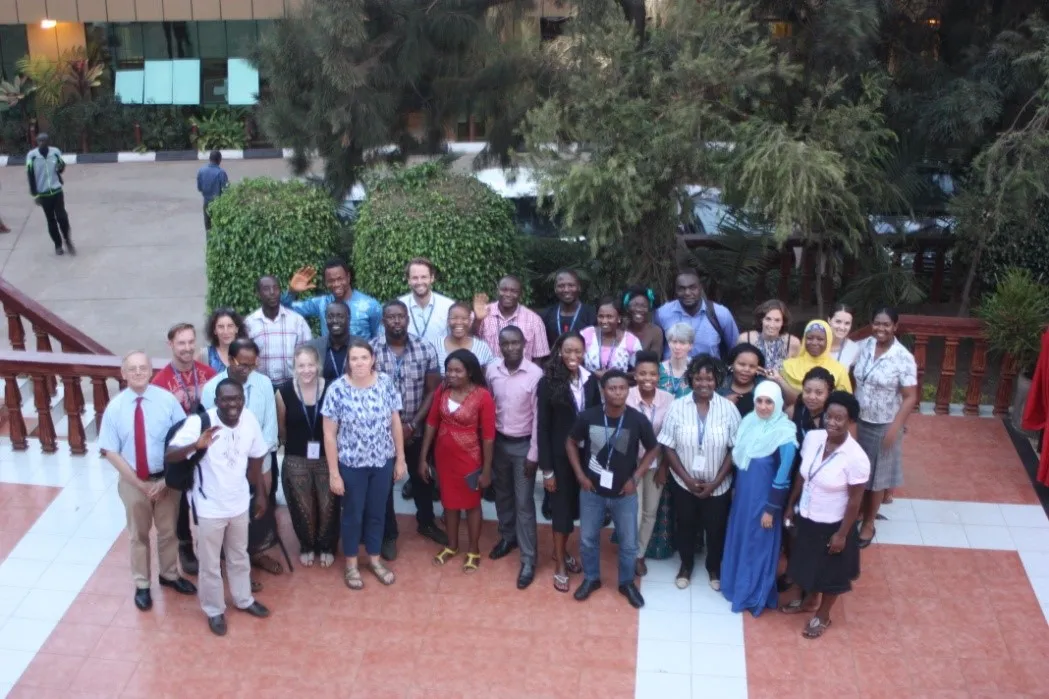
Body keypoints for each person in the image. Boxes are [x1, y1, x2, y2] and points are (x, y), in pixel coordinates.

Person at [165, 379, 271, 636]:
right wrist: (196, 445)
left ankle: (244, 599)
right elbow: (170, 454)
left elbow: (257, 454)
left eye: (237, 398)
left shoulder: (249, 419)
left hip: (239, 504)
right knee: (210, 564)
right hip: (209, 507)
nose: (232, 404)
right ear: (216, 401)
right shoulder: (200, 422)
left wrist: (259, 493)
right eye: (226, 399)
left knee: (239, 555)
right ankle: (214, 610)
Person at [98, 350, 197, 611]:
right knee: (138, 535)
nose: (138, 373)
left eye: (143, 368)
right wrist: (139, 484)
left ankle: (169, 575)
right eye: (132, 369)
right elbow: (110, 450)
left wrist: (166, 480)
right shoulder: (115, 408)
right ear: (123, 374)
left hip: (166, 480)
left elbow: (183, 440)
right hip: (134, 483)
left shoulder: (166, 401)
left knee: (168, 532)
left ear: (151, 370)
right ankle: (142, 584)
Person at [780, 391, 869, 639]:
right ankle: (808, 601)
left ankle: (823, 614)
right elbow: (802, 474)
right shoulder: (814, 438)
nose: (832, 422)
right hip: (808, 515)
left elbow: (855, 500)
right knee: (806, 563)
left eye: (839, 418)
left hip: (834, 523)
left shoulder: (856, 458)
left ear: (850, 421)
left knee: (831, 574)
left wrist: (842, 534)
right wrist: (791, 504)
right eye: (829, 416)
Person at [567, 370, 658, 608]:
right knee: (587, 540)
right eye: (612, 388)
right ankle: (591, 578)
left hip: (624, 494)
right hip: (591, 492)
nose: (618, 392)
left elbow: (653, 449)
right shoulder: (588, 417)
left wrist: (636, 478)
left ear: (628, 391)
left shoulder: (637, 420)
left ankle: (626, 583)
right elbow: (571, 442)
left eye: (622, 388)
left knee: (629, 543)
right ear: (603, 391)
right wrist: (580, 475)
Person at [322, 339, 407, 589]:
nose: (359, 363)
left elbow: (395, 422)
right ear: (347, 362)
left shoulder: (385, 383)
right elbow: (329, 434)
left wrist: (400, 458)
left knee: (377, 513)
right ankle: (351, 565)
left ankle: (375, 559)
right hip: (351, 465)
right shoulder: (337, 389)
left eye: (363, 358)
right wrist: (334, 473)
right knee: (352, 514)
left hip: (382, 462)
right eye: (354, 358)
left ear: (373, 360)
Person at [200, 339, 284, 580]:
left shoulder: (264, 383)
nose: (247, 370)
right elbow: (210, 431)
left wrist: (260, 460)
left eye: (252, 365)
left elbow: (270, 426)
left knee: (258, 509)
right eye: (242, 365)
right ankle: (236, 564)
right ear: (230, 360)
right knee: (231, 513)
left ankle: (256, 553)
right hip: (225, 464)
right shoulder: (211, 389)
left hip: (260, 459)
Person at [371, 300, 449, 558]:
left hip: (415, 427)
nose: (396, 321)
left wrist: (413, 424)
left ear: (407, 319)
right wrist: (391, 426)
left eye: (400, 317)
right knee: (383, 483)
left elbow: (433, 390)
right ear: (383, 321)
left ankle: (426, 522)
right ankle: (389, 533)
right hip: (381, 431)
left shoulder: (425, 348)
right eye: (390, 317)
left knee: (422, 478)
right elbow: (366, 391)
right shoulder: (371, 350)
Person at [659, 354, 741, 590]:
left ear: (717, 381)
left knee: (715, 528)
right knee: (685, 524)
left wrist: (715, 483)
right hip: (684, 482)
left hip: (719, 484)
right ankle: (686, 565)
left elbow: (734, 449)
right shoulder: (677, 406)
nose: (703, 384)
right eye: (698, 378)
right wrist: (686, 479)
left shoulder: (728, 409)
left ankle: (713, 567)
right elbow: (668, 445)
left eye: (709, 379)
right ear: (690, 380)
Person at [530, 331, 601, 592]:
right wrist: (546, 470)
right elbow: (544, 427)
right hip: (559, 459)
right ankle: (560, 562)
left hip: (584, 458)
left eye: (578, 352)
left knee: (573, 509)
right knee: (560, 511)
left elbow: (595, 421)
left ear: (584, 353)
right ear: (559, 351)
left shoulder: (591, 381)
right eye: (568, 351)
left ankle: (563, 551)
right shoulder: (548, 382)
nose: (573, 356)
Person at [720, 382, 797, 616]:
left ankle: (753, 594)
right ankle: (735, 586)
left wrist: (771, 509)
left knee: (758, 544)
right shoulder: (749, 422)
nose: (763, 407)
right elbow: (740, 461)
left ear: (779, 403)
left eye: (769, 402)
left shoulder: (784, 433)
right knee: (742, 537)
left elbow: (783, 476)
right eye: (759, 401)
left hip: (764, 502)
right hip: (744, 497)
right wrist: (734, 489)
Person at [420, 350, 497, 573]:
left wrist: (486, 470)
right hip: (444, 459)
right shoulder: (442, 390)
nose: (451, 375)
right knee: (449, 503)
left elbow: (489, 436)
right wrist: (424, 458)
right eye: (449, 370)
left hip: (470, 459)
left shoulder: (483, 396)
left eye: (457, 371)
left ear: (470, 372)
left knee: (471, 505)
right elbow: (432, 423)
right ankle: (452, 546)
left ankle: (473, 550)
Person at [151, 322, 217, 576]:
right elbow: (159, 429)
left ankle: (208, 545)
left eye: (191, 342)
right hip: (179, 451)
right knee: (180, 506)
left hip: (205, 449)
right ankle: (185, 547)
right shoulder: (160, 382)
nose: (188, 348)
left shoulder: (208, 374)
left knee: (205, 498)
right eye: (181, 343)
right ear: (170, 345)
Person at [853, 307, 918, 547]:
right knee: (860, 470)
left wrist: (896, 426)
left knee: (879, 476)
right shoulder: (864, 346)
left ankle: (869, 523)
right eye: (877, 323)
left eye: (886, 324)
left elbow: (910, 396)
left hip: (885, 423)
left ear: (895, 327)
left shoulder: (903, 357)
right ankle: (858, 512)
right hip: (859, 419)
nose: (881, 329)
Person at [486, 325, 543, 588]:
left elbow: (538, 420)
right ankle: (508, 537)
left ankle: (529, 558)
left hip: (523, 448)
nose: (510, 348)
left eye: (515, 343)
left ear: (524, 344)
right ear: (499, 345)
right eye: (505, 343)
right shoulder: (492, 370)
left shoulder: (535, 374)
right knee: (503, 495)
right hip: (499, 443)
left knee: (524, 503)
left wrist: (533, 454)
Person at [277, 345, 336, 569]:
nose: (307, 370)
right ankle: (307, 545)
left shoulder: (331, 388)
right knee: (303, 507)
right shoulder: (283, 392)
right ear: (295, 367)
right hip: (296, 457)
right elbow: (282, 429)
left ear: (318, 366)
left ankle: (327, 546)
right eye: (301, 366)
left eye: (311, 365)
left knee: (328, 505)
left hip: (326, 456)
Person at [625, 351, 672, 577]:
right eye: (642, 373)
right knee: (633, 512)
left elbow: (669, 437)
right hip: (630, 465)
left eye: (652, 374)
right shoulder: (626, 396)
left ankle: (639, 554)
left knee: (650, 512)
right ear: (634, 374)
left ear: (659, 376)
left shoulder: (669, 400)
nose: (647, 378)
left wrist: (664, 467)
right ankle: (630, 553)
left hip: (656, 465)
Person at [283, 259, 382, 339]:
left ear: (348, 277)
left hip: (360, 362)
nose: (336, 284)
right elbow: (284, 309)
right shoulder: (321, 303)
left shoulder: (370, 305)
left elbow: (379, 338)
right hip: (330, 361)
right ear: (325, 283)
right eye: (331, 281)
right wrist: (292, 292)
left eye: (340, 279)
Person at [654, 270, 739, 360]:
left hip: (709, 372)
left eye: (692, 288)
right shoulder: (662, 314)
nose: (687, 293)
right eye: (682, 288)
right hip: (671, 373)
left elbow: (736, 349)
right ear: (675, 290)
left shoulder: (720, 314)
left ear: (700, 288)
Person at [245, 275, 312, 387]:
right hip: (261, 387)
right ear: (257, 294)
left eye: (276, 288)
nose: (272, 292)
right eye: (266, 289)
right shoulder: (249, 323)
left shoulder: (297, 321)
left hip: (292, 387)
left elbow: (308, 354)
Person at [766, 320, 852, 404]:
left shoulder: (839, 370)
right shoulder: (788, 365)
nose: (814, 342)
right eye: (810, 338)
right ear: (804, 339)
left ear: (828, 341)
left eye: (820, 339)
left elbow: (845, 402)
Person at [474, 275, 550, 361]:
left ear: (520, 294)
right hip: (488, 373)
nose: (508, 294)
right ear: (497, 291)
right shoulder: (483, 313)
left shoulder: (534, 320)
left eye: (514, 291)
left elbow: (539, 358)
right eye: (504, 290)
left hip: (522, 373)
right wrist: (477, 320)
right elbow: (471, 343)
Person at [26, 133, 73, 255]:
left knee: (62, 217)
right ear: (37, 142)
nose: (42, 143)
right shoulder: (32, 156)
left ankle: (67, 240)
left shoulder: (55, 152)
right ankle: (58, 245)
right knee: (51, 220)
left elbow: (60, 167)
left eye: (44, 141)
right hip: (43, 194)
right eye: (40, 141)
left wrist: (61, 167)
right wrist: (35, 194)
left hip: (57, 190)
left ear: (48, 142)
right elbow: (30, 175)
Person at [579, 296, 642, 378]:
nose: (604, 321)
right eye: (601, 316)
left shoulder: (631, 341)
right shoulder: (586, 334)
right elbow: (575, 364)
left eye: (609, 317)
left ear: (619, 318)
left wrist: (615, 376)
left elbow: (640, 371)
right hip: (589, 389)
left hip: (619, 389)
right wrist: (594, 374)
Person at [399, 257, 455, 346]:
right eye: (415, 278)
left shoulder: (448, 306)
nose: (419, 282)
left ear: (432, 278)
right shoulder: (399, 306)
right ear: (408, 280)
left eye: (424, 277)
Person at [737, 299, 799, 371]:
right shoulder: (745, 339)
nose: (772, 325)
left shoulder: (793, 343)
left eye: (777, 320)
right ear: (761, 319)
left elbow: (796, 374)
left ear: (783, 322)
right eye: (768, 319)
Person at [540, 268, 597, 348]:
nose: (566, 290)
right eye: (561, 286)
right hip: (553, 360)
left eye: (571, 285)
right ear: (555, 289)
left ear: (579, 287)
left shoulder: (592, 315)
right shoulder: (545, 316)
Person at [434, 302, 494, 375]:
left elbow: (489, 376)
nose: (459, 322)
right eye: (454, 318)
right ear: (447, 321)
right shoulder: (435, 345)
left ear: (470, 321)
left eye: (464, 318)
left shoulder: (482, 347)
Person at [306, 301, 353, 381]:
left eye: (340, 316)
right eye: (330, 317)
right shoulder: (313, 347)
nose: (335, 320)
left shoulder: (361, 346)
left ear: (349, 319)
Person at [718, 343, 766, 418]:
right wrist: (723, 403)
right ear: (731, 364)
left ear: (758, 368)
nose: (746, 369)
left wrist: (777, 378)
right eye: (742, 364)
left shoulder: (764, 385)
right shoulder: (720, 384)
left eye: (752, 366)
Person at [200, 307, 247, 372]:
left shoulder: (247, 354)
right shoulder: (205, 354)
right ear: (214, 330)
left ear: (236, 329)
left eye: (230, 326)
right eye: (221, 327)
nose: (226, 331)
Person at [624, 286, 665, 357]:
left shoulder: (656, 332)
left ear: (649, 309)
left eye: (644, 306)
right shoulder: (621, 328)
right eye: (635, 305)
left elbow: (655, 360)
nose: (639, 309)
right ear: (627, 308)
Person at [659, 322, 695, 397]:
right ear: (668, 343)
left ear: (690, 346)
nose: (677, 347)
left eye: (682, 343)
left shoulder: (696, 369)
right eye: (674, 342)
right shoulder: (658, 369)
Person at [197, 150, 229, 232]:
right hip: (218, 204)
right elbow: (226, 191)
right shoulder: (221, 173)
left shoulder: (201, 171)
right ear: (219, 160)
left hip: (206, 203)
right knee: (218, 228)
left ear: (209, 159)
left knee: (208, 228)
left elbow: (199, 188)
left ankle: (209, 243)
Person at [828, 304, 860, 369]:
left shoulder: (853, 349)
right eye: (838, 322)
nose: (842, 327)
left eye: (847, 323)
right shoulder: (816, 343)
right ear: (829, 320)